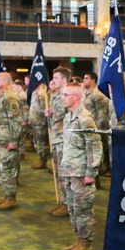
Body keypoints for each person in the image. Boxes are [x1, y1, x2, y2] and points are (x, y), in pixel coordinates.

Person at [59, 81, 101, 250]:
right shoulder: (69, 116)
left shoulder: (85, 118)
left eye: (66, 95)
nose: (62, 98)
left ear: (76, 97)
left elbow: (95, 146)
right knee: (72, 207)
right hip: (70, 170)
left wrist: (91, 172)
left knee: (83, 208)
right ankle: (79, 239)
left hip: (81, 172)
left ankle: (86, 242)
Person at [0, 72, 23, 210]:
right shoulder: (1, 96)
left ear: (5, 81)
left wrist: (14, 141)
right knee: (1, 168)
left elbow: (15, 120)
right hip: (1, 137)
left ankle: (11, 198)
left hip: (8, 138)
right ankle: (7, 195)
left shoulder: (9, 96)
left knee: (7, 168)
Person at [46, 67, 71, 216]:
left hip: (64, 140)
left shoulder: (68, 96)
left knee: (65, 173)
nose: (53, 80)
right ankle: (63, 201)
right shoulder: (56, 96)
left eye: (56, 78)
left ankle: (68, 204)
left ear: (64, 80)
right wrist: (50, 113)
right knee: (59, 173)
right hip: (56, 139)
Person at [82, 72, 112, 175]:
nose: (84, 80)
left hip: (96, 127)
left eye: (86, 78)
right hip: (87, 126)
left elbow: (102, 114)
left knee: (99, 150)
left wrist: (99, 129)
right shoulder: (85, 94)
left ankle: (103, 169)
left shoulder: (98, 94)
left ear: (93, 80)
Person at [29, 78, 51, 170]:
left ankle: (43, 160)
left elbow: (44, 108)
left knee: (42, 142)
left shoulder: (41, 94)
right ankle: (41, 159)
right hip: (35, 121)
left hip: (40, 122)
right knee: (37, 142)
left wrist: (44, 121)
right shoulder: (35, 93)